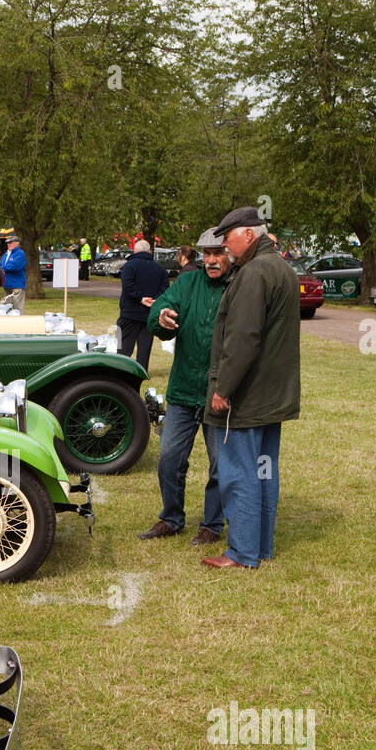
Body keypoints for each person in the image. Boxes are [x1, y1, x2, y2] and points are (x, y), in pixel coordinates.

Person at [201, 206, 301, 571]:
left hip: (246, 400)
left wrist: (224, 389)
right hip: (271, 399)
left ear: (247, 234)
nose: (225, 247)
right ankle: (261, 547)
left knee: (239, 473)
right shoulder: (283, 269)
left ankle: (242, 552)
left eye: (227, 238)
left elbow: (243, 339)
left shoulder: (254, 273)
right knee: (263, 471)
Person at [139, 228, 234, 544]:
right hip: (182, 392)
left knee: (221, 465)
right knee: (168, 458)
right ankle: (171, 518)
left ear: (231, 254)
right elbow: (160, 307)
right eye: (206, 254)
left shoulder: (238, 287)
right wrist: (161, 315)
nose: (211, 260)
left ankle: (211, 525)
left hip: (220, 395)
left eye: (218, 253)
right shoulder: (188, 282)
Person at [118, 239, 169, 370]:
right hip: (149, 315)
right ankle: (141, 371)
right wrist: (155, 300)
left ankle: (119, 369)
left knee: (123, 346)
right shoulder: (160, 269)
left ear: (135, 251)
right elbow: (165, 289)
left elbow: (128, 285)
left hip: (129, 313)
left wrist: (140, 298)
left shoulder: (129, 266)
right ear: (150, 252)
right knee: (145, 348)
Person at [0, 232, 27, 313]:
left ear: (16, 243)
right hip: (7, 284)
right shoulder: (6, 254)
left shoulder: (20, 253)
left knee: (17, 309)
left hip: (17, 284)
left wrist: (4, 268)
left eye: (10, 243)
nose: (8, 244)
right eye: (7, 243)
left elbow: (14, 266)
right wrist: (3, 268)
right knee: (7, 308)